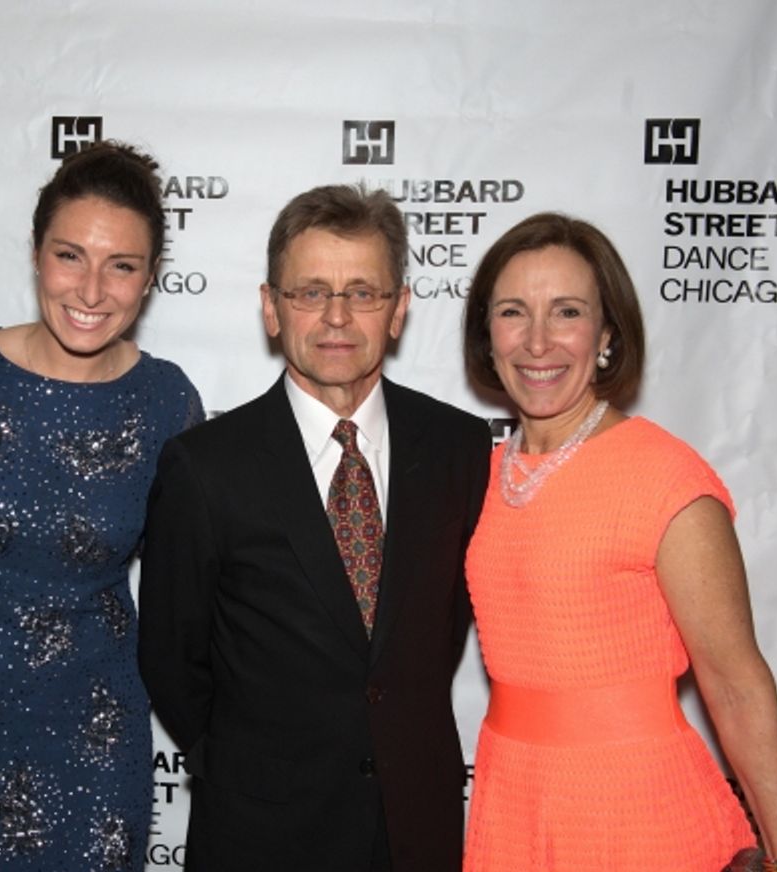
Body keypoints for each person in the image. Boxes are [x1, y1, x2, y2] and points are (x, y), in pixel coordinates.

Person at [138, 183, 492, 871]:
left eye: (364, 291)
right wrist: (251, 768)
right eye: (310, 292)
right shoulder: (205, 465)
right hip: (260, 833)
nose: (337, 316)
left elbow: (442, 630)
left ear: (399, 310)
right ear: (272, 309)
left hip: (414, 829)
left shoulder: (458, 447)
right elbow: (171, 658)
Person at [461, 212, 777, 871]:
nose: (538, 341)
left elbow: (736, 685)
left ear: (607, 335)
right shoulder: (476, 475)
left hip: (641, 814)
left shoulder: (666, 477)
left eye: (566, 311)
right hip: (513, 802)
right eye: (513, 312)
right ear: (488, 334)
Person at [0, 141, 203, 871]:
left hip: (97, 735)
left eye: (123, 265)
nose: (92, 290)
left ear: (150, 278)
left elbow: (193, 597)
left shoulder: (168, 401)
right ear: (37, 254)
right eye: (70, 255)